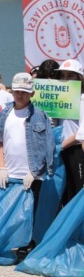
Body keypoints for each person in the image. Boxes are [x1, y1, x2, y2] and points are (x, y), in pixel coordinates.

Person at [0, 72, 55, 258]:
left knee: (30, 212)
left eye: (24, 92)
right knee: (8, 211)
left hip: (30, 176)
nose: (20, 95)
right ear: (12, 91)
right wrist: (1, 167)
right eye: (17, 91)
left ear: (32, 93)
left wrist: (35, 172)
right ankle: (9, 242)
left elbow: (48, 147)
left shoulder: (41, 116)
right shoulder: (3, 114)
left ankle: (28, 244)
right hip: (9, 174)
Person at [59, 60, 84, 204]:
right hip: (61, 152)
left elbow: (81, 133)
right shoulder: (60, 99)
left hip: (76, 152)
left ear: (79, 78)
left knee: (78, 192)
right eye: (63, 75)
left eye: (70, 75)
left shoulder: (82, 99)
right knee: (66, 193)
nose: (65, 79)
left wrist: (60, 146)